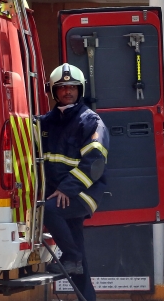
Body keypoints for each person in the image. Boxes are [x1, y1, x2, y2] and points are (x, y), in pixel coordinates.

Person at [40, 63, 109, 301]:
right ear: (54, 91)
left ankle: (69, 258)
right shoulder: (46, 123)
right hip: (61, 194)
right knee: (80, 260)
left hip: (83, 193)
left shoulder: (89, 121)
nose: (67, 91)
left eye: (72, 87)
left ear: (79, 90)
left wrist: (67, 189)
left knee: (48, 211)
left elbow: (96, 161)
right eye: (62, 87)